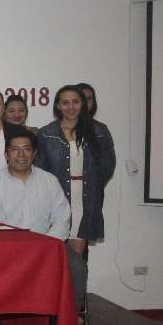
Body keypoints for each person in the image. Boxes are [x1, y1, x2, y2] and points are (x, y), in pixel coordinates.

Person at [35, 85, 116, 311]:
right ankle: (52, 306)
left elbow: (107, 166)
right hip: (55, 200)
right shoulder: (46, 133)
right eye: (65, 102)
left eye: (75, 101)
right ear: (58, 106)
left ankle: (71, 311)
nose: (71, 107)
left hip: (86, 200)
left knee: (74, 260)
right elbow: (39, 170)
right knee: (53, 258)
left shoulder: (99, 131)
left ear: (83, 103)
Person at [0, 131, 82, 305]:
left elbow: (62, 219)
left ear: (34, 153)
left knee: (77, 266)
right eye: (15, 149)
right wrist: (24, 248)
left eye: (26, 149)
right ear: (6, 154)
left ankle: (67, 319)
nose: (21, 155)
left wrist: (44, 245)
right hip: (9, 248)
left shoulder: (49, 181)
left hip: (48, 245)